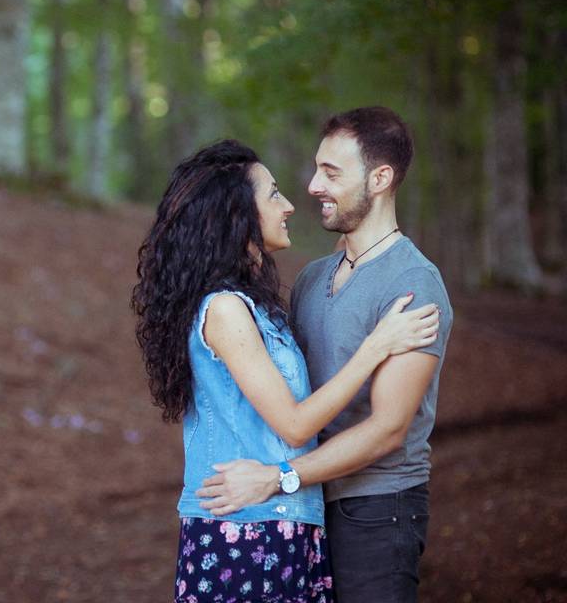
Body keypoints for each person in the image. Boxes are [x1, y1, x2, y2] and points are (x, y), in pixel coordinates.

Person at [131, 139, 439, 602]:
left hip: (283, 523)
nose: (292, 203)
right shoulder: (227, 309)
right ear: (237, 215)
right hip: (246, 533)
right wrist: (376, 346)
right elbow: (294, 425)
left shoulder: (258, 307)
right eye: (273, 194)